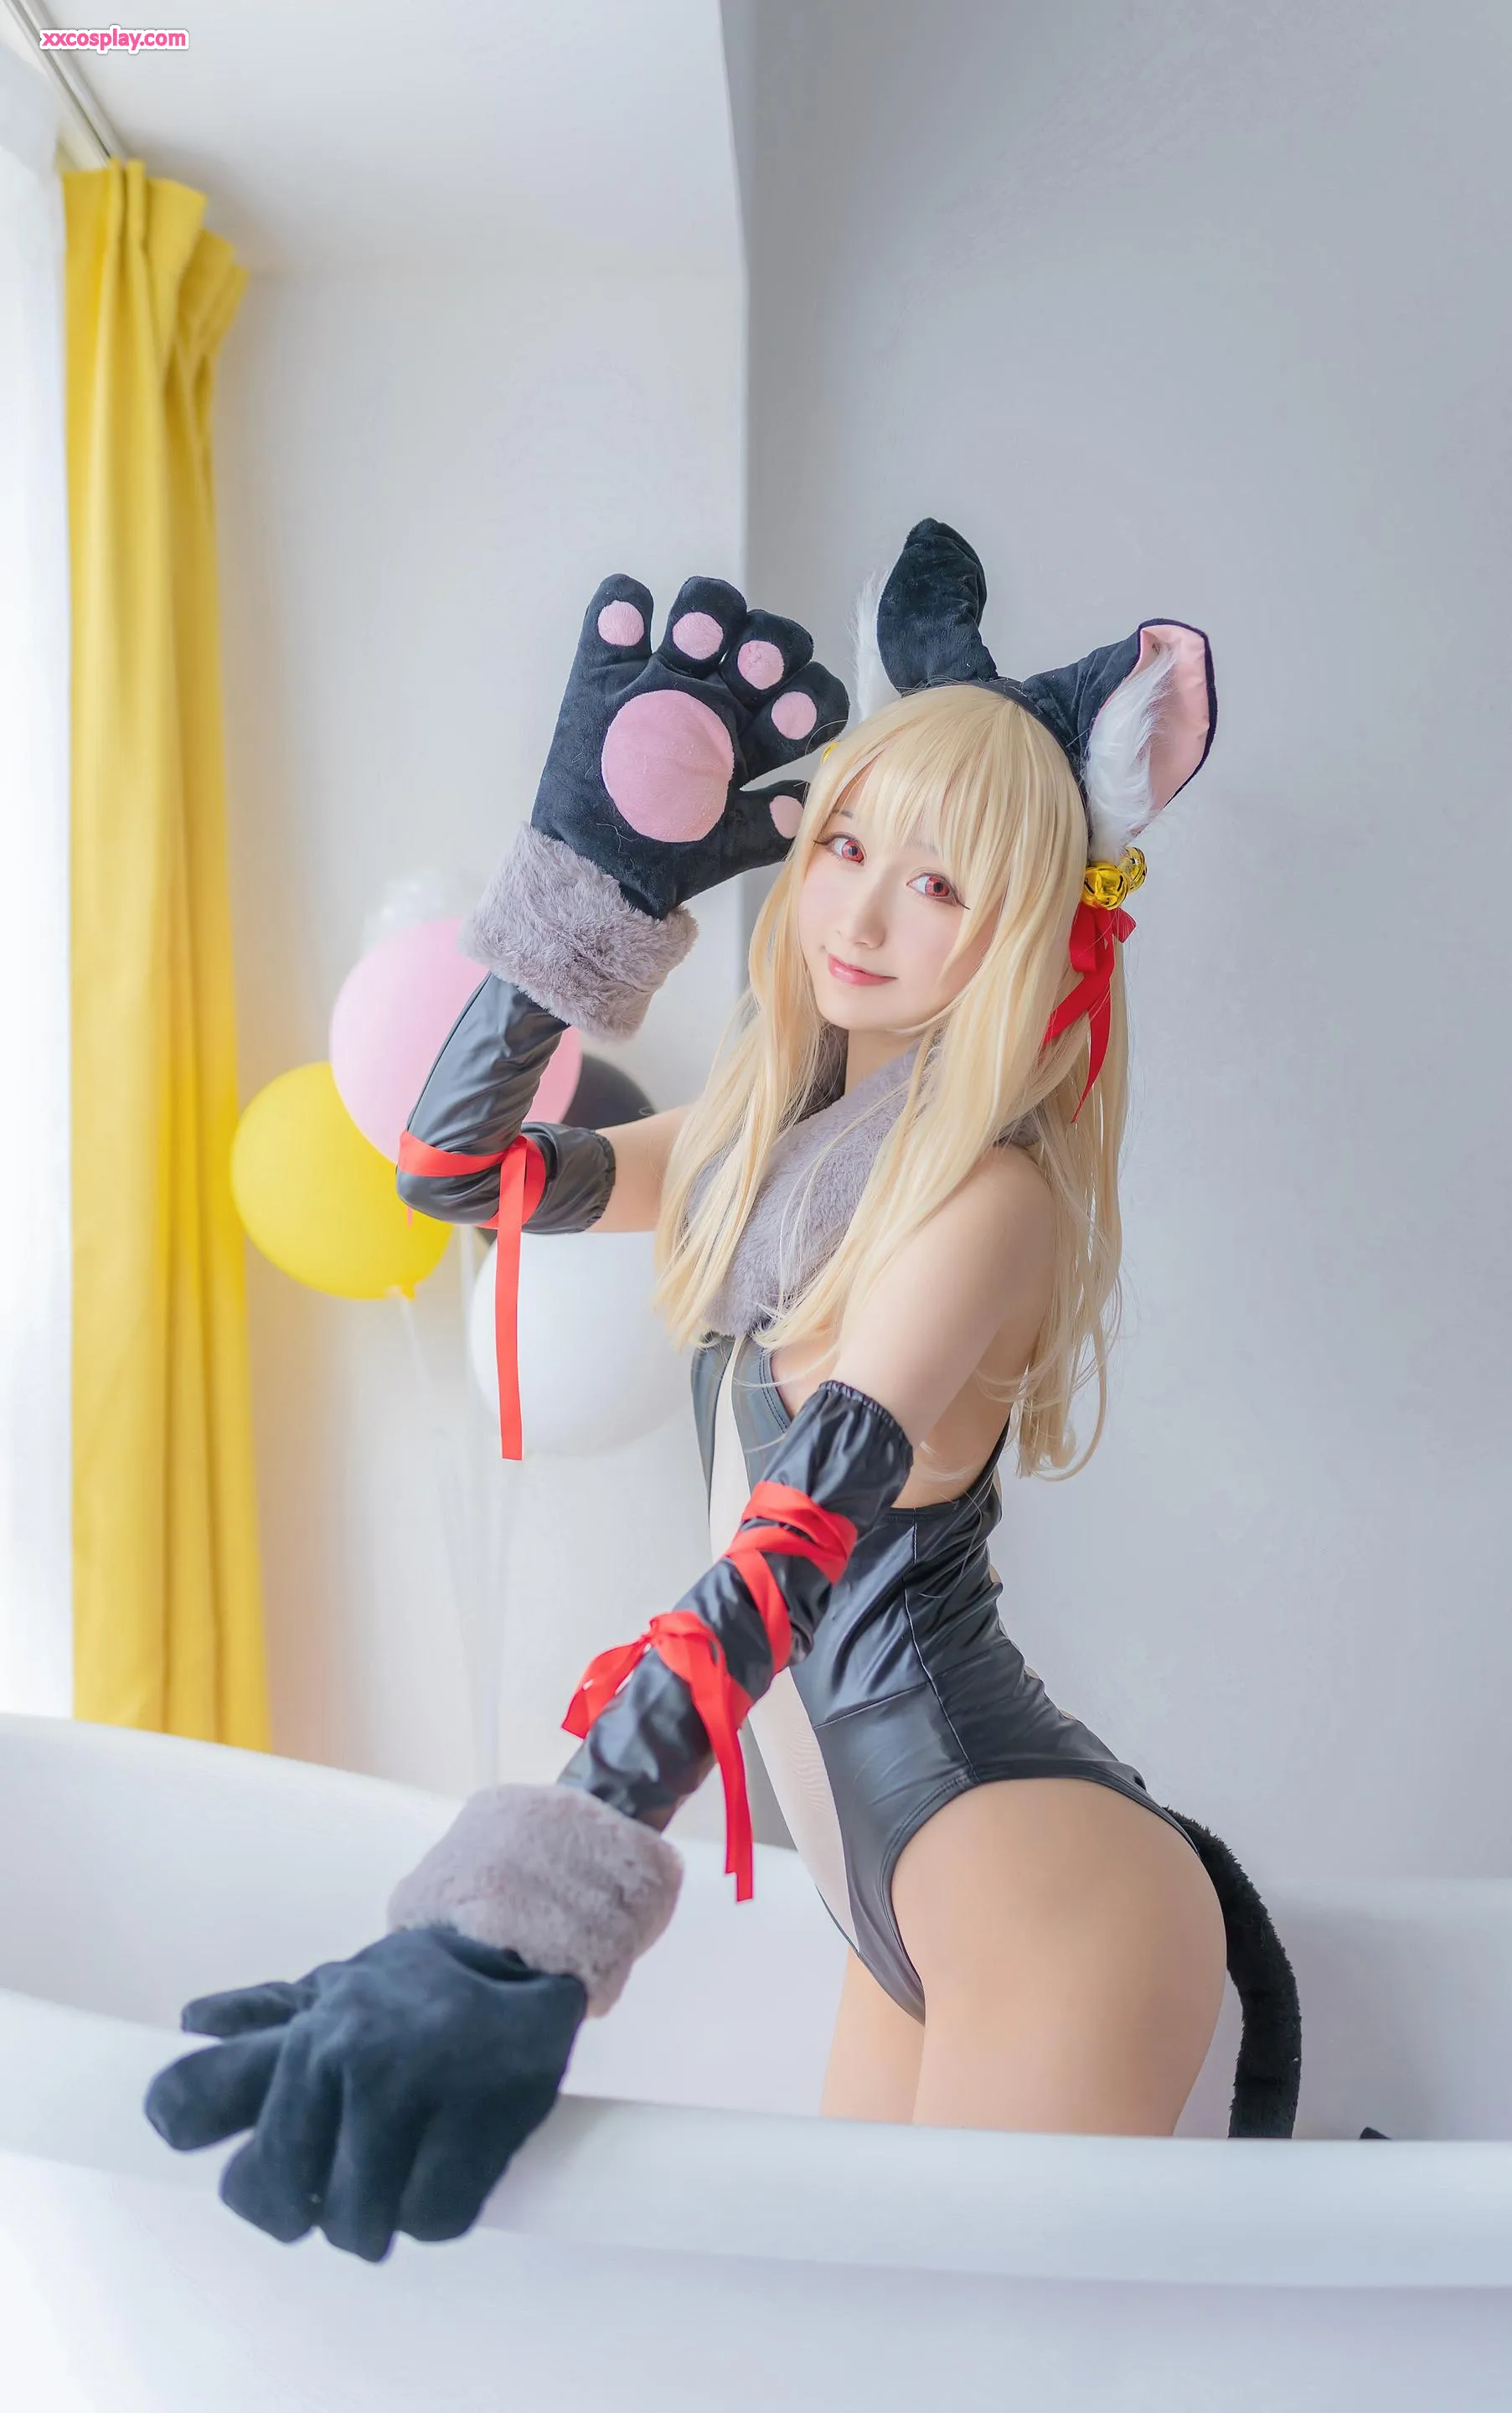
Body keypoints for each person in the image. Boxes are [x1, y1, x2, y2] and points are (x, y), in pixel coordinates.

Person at [143, 522, 1298, 2262]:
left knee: (960, 2368)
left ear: (1024, 929)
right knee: (851, 2354)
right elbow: (458, 1175)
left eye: (939, 886)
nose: (862, 914)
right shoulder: (765, 1145)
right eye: (846, 847)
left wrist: (519, 1918)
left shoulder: (989, 1196)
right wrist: (587, 892)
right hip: (896, 1899)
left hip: (1032, 1885)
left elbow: (792, 1548)